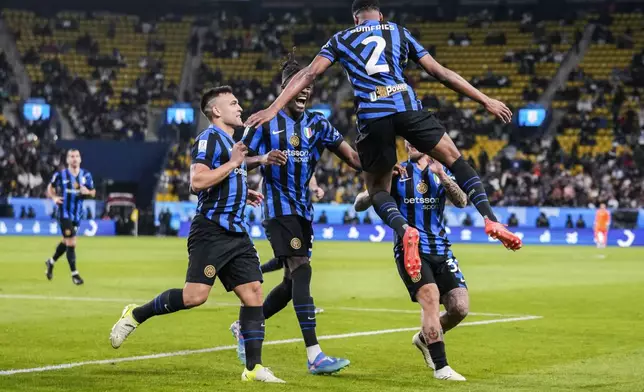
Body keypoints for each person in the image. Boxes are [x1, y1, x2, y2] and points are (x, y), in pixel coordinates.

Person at [245, 0, 522, 284]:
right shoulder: (398, 31)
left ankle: (405, 231)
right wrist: (486, 100)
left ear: (355, 19)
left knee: (377, 188)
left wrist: (272, 109)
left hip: (373, 117)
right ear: (380, 15)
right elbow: (441, 73)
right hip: (406, 107)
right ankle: (490, 218)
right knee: (455, 159)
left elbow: (308, 74)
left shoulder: (341, 38)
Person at [109, 86, 285, 383]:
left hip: (236, 232)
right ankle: (136, 314)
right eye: (233, 103)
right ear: (216, 111)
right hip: (211, 231)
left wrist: (248, 179)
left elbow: (232, 169)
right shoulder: (209, 138)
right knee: (194, 297)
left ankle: (253, 368)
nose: (240, 107)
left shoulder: (231, 141)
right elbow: (197, 181)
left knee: (253, 292)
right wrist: (234, 164)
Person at [231, 53, 361, 375]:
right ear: (285, 89)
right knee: (302, 270)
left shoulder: (318, 123)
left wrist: (384, 167)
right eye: (297, 85)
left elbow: (353, 159)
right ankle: (315, 355)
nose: (304, 91)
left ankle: (245, 325)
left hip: (303, 211)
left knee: (291, 284)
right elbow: (233, 160)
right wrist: (261, 159)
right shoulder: (265, 122)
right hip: (277, 209)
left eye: (309, 86)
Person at [353, 142, 469, 381]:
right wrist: (376, 186)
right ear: (405, 143)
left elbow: (462, 202)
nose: (412, 143)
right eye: (409, 139)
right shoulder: (397, 172)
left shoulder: (440, 169)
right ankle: (441, 367)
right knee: (430, 298)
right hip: (411, 250)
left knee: (459, 308)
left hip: (441, 249)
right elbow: (359, 205)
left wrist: (442, 176)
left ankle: (425, 338)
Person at [45, 149, 95, 285]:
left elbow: (93, 192)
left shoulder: (86, 175)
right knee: (72, 241)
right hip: (64, 213)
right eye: (71, 156)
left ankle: (51, 262)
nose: (74, 158)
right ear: (67, 160)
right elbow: (50, 187)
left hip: (77, 215)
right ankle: (75, 274)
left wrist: (88, 192)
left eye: (77, 156)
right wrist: (54, 197)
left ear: (80, 159)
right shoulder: (61, 175)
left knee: (66, 241)